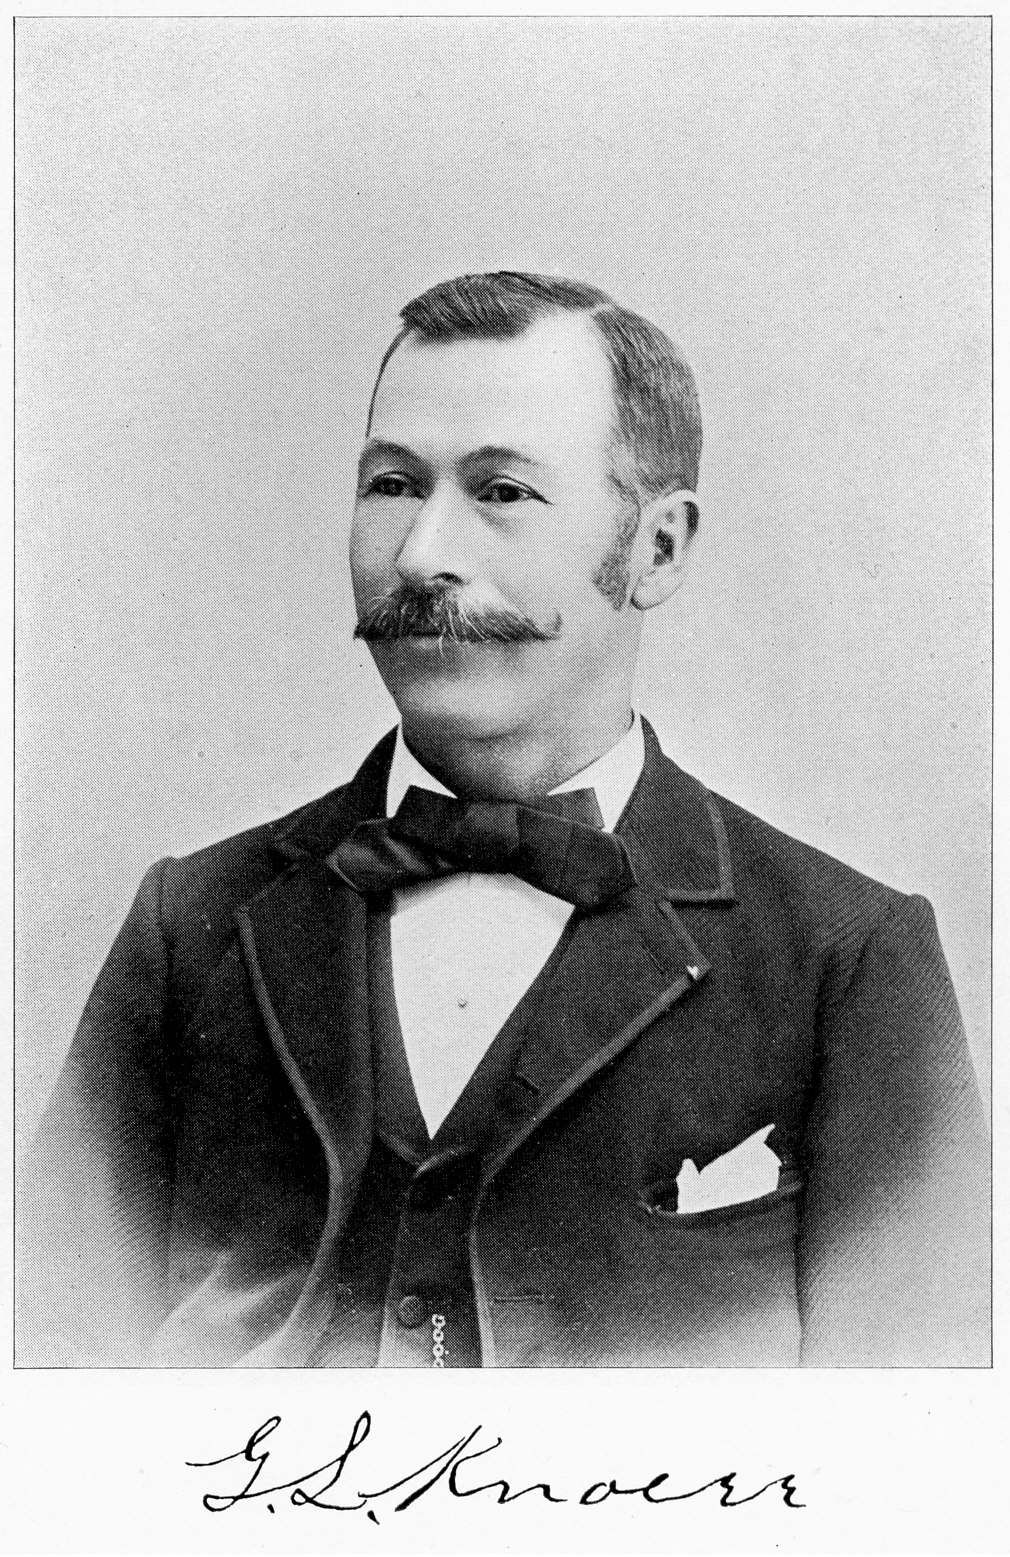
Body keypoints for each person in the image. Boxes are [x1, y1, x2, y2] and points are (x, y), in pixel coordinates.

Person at [17, 271, 989, 1368]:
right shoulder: (187, 922)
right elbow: (47, 1385)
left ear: (657, 549)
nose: (420, 554)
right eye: (392, 485)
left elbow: (909, 1440)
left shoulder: (846, 957)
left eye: (502, 491)